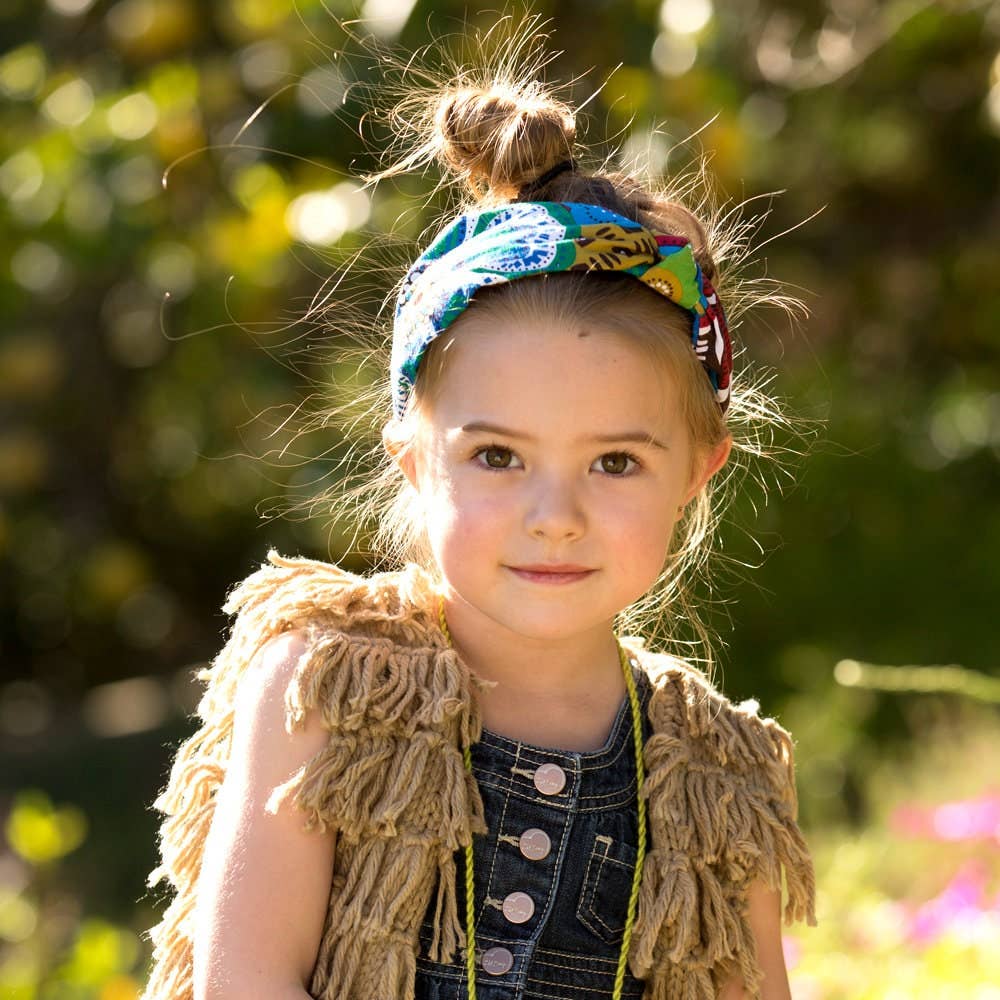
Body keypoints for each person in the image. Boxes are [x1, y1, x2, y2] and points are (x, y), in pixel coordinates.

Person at [139, 39, 818, 1000]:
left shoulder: (716, 777)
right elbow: (245, 981)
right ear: (415, 460)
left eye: (615, 462)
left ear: (698, 472)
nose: (556, 517)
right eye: (498, 456)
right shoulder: (329, 692)